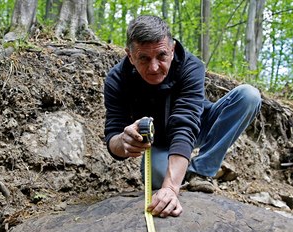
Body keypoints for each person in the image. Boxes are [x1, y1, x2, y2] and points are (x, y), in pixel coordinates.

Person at [104, 15, 261, 218]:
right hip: (159, 142)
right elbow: (112, 137)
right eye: (144, 58)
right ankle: (181, 169)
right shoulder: (116, 79)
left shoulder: (191, 66)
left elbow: (185, 124)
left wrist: (172, 188)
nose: (154, 67)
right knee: (157, 181)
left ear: (172, 49)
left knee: (248, 96)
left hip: (200, 126)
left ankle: (201, 170)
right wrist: (123, 143)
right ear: (130, 56)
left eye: (161, 56)